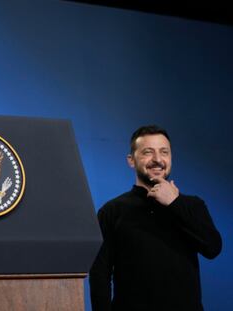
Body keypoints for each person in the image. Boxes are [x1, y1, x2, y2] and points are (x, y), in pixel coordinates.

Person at [89, 125, 222, 311]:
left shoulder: (193, 205)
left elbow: (212, 248)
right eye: (148, 153)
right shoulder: (111, 211)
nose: (158, 160)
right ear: (131, 160)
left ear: (171, 158)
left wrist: (174, 204)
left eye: (164, 152)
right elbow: (99, 274)